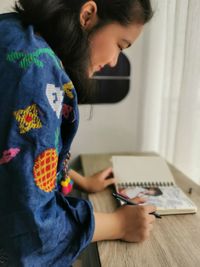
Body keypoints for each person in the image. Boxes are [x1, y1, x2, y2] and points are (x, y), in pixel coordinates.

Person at [0, 0, 156, 266]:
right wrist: (119, 224)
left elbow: (15, 161)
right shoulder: (35, 74)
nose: (114, 61)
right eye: (120, 45)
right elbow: (33, 232)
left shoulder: (12, 31)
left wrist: (80, 181)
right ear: (87, 15)